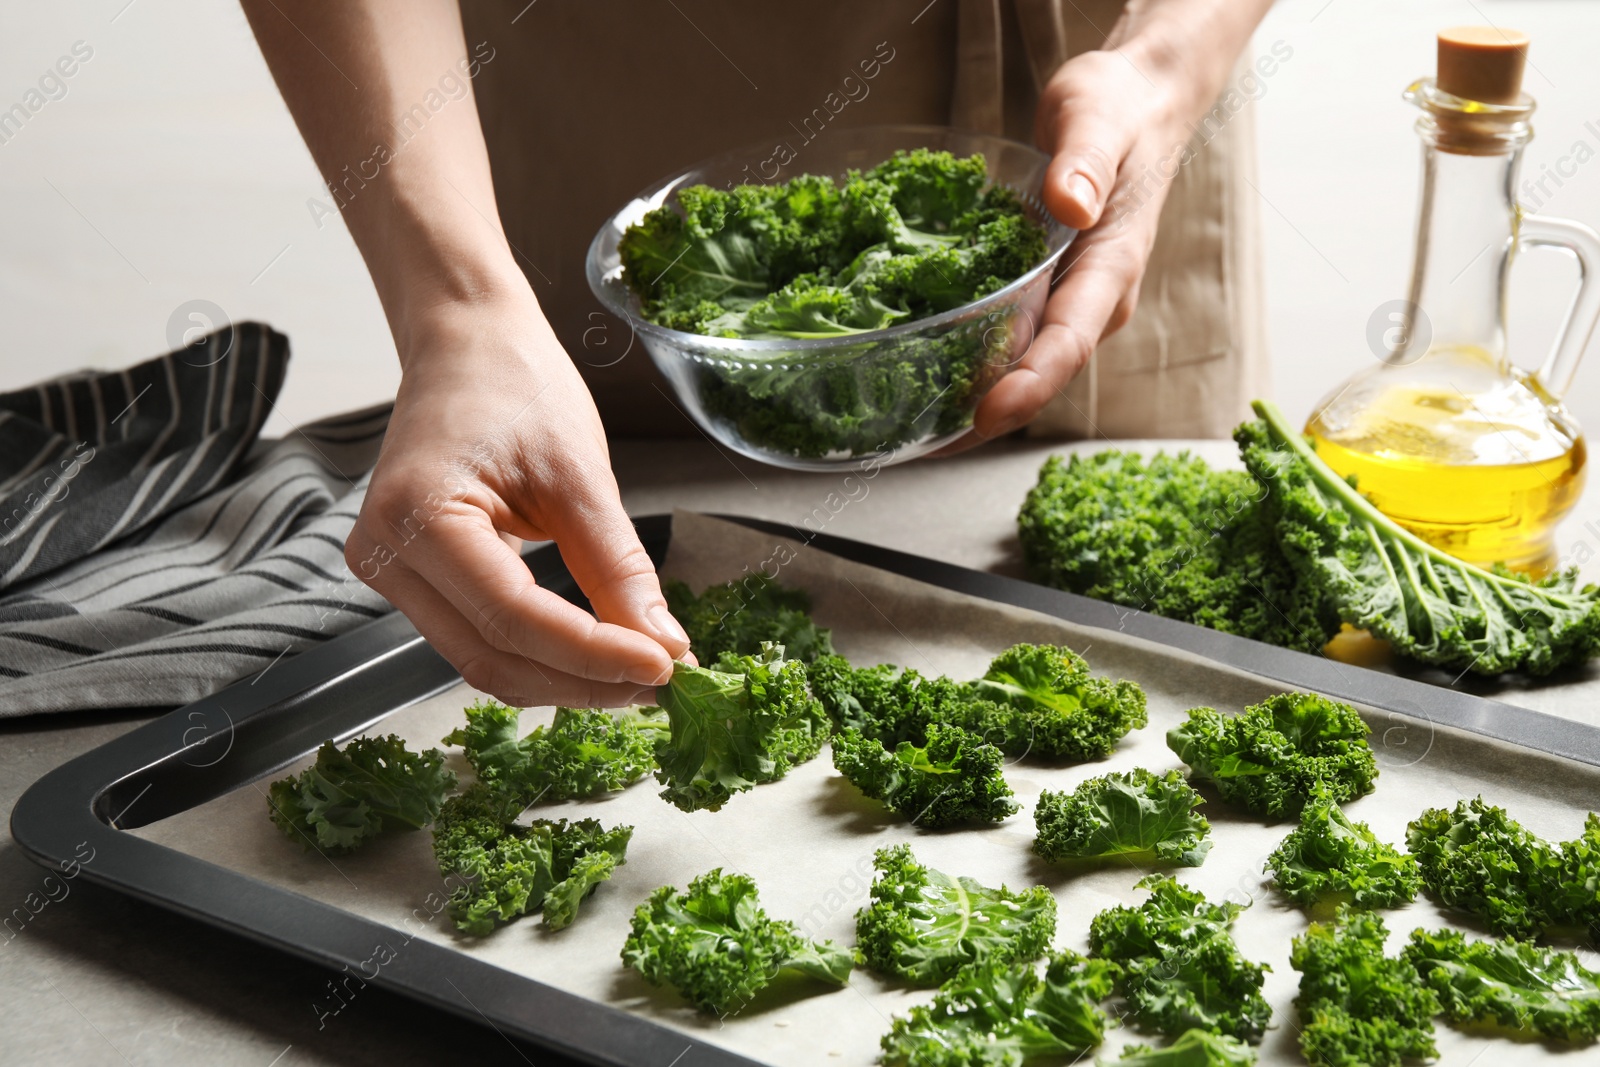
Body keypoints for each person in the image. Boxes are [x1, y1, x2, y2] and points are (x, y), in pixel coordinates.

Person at [239, 0, 1274, 708]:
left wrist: (1172, 58)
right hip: (642, 97)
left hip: (1113, 104)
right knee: (601, 538)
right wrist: (457, 310)